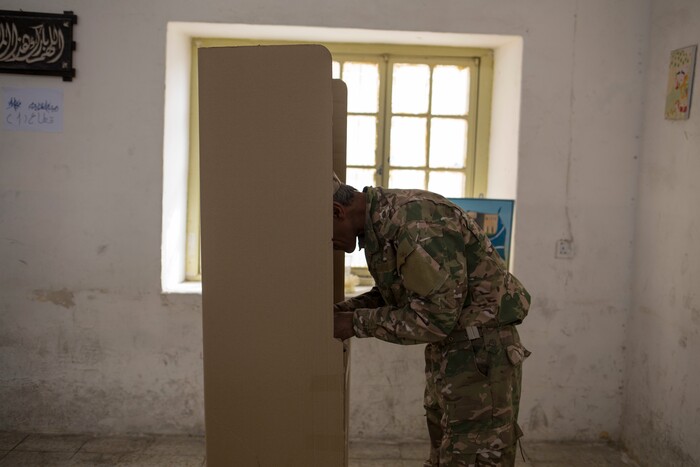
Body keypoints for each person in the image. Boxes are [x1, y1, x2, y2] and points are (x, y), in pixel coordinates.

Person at [332, 173, 531, 467]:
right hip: (455, 352)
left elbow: (436, 317)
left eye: (327, 236)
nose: (331, 246)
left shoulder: (415, 224)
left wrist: (355, 322)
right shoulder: (381, 224)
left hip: (481, 357)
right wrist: (345, 309)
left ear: (338, 212)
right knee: (445, 456)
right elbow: (401, 292)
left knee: (474, 456)